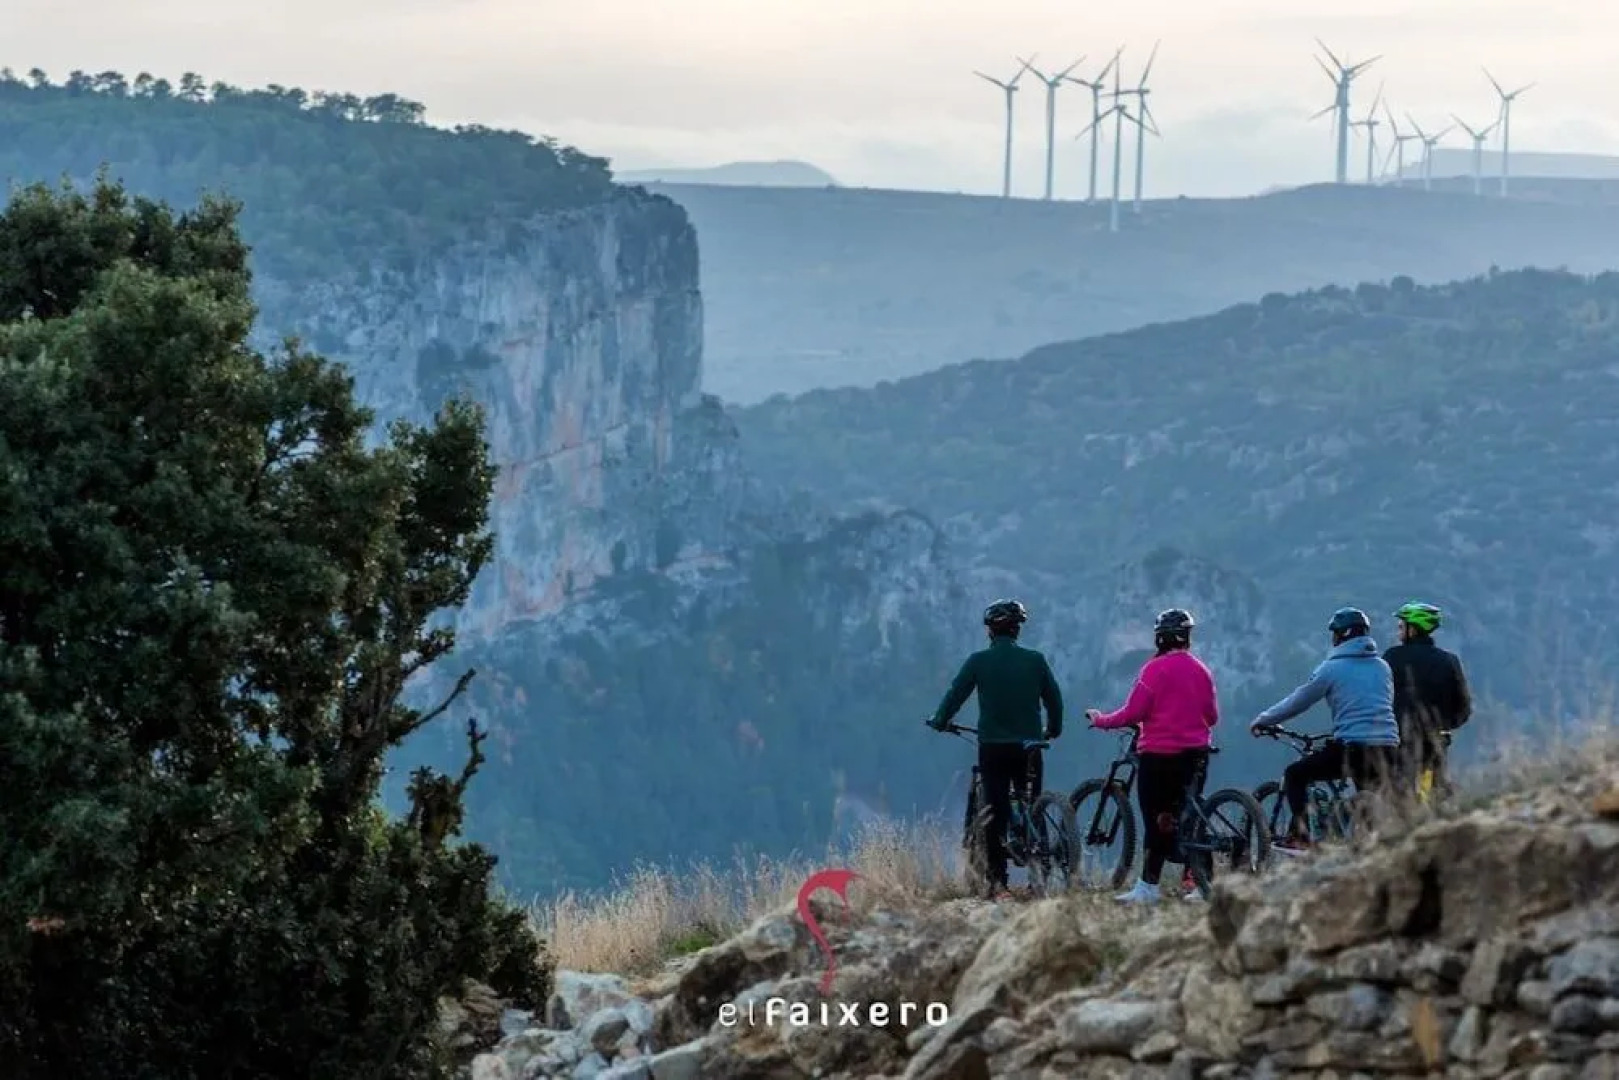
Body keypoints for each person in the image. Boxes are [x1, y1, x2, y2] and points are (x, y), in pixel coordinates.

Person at [928, 599, 1064, 900]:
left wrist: (940, 720)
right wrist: (1053, 729)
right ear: (1017, 630)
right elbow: (1054, 698)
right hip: (1030, 745)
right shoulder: (1036, 660)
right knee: (1033, 804)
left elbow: (955, 694)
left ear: (990, 631)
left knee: (994, 813)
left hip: (994, 747)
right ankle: (1038, 876)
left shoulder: (978, 661)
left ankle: (998, 885)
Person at [1085, 609, 1219, 905]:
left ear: (1160, 637)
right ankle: (1200, 882)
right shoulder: (1201, 670)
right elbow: (1212, 716)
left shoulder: (1154, 669)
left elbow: (1134, 713)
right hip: (1197, 753)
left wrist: (1101, 720)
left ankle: (1148, 888)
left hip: (1160, 756)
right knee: (1192, 814)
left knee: (1156, 819)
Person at [1249, 607, 1400, 853]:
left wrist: (1265, 719)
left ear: (1342, 636)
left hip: (1353, 748)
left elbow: (1300, 700)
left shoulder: (1331, 668)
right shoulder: (1383, 667)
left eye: (1335, 634)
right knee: (1372, 800)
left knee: (1295, 774)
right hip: (1388, 747)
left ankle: (1301, 835)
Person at [1383, 601, 1472, 803]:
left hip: (1399, 739)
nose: (1398, 632)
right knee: (1436, 792)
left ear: (1412, 629)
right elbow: (1464, 706)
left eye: (1401, 626)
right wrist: (1445, 725)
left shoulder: (1392, 657)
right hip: (1436, 739)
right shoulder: (1449, 660)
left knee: (1398, 792)